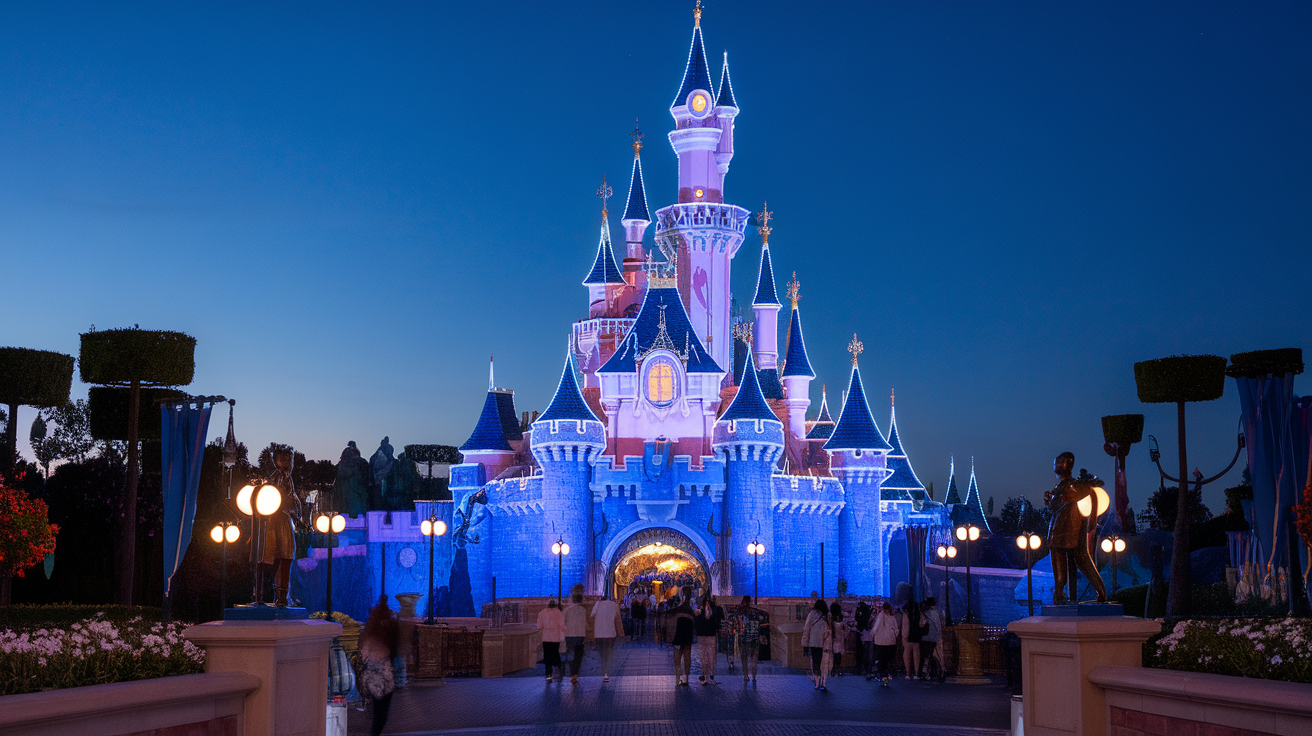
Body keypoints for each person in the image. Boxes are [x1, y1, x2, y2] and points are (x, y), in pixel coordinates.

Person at [1046, 452, 1107, 604]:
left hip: (1065, 531)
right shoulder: (1068, 485)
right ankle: (1060, 595)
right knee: (1073, 565)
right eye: (1057, 462)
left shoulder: (1074, 486)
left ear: (1069, 465)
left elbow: (1055, 505)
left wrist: (1050, 500)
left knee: (1074, 564)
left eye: (1061, 462)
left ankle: (1099, 592)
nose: (1058, 465)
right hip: (1060, 531)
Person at [359, 596, 400, 736]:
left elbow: (363, 655)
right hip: (386, 677)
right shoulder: (390, 626)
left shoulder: (370, 632)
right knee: (382, 712)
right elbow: (395, 649)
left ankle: (374, 732)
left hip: (373, 678)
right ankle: (375, 732)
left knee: (377, 711)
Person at [731, 595, 766, 685]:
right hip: (754, 638)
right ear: (750, 601)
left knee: (744, 658)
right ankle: (754, 676)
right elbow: (764, 616)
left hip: (743, 638)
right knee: (754, 658)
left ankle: (745, 676)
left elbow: (734, 624)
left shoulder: (738, 612)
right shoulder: (755, 612)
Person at [592, 592, 623, 682]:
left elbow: (591, 615)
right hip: (610, 633)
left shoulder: (597, 604)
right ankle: (606, 672)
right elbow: (618, 620)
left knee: (602, 653)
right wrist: (621, 633)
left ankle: (604, 670)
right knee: (608, 653)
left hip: (599, 633)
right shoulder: (614, 605)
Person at [694, 594, 723, 685]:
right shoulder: (715, 610)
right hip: (711, 635)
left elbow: (696, 622)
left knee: (703, 657)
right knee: (711, 656)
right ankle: (710, 676)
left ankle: (705, 676)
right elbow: (718, 622)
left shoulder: (699, 611)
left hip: (702, 635)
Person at [670, 589, 696, 686]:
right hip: (687, 634)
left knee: (677, 658)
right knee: (687, 658)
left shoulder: (677, 607)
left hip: (678, 635)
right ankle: (686, 679)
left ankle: (678, 679)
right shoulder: (692, 607)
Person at [801, 598, 829, 688]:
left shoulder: (811, 615)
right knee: (823, 663)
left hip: (813, 642)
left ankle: (816, 682)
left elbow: (806, 629)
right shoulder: (826, 616)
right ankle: (822, 682)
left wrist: (805, 643)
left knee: (814, 662)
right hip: (824, 643)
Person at [871, 601, 899, 687]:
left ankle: (883, 676)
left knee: (882, 659)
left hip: (881, 641)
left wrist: (872, 634)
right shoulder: (892, 617)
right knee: (888, 659)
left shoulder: (881, 615)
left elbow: (876, 627)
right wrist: (894, 635)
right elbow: (896, 628)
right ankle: (888, 674)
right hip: (891, 641)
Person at [536, 599, 565, 683]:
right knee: (556, 654)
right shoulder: (559, 613)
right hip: (556, 638)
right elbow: (562, 625)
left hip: (546, 638)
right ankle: (559, 671)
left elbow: (539, 626)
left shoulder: (542, 613)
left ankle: (549, 675)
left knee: (547, 656)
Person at [564, 586, 588, 685]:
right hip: (580, 636)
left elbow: (563, 622)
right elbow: (584, 623)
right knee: (578, 656)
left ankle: (572, 672)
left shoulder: (567, 610)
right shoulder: (583, 610)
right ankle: (575, 675)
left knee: (570, 655)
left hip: (569, 635)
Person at [920, 597, 944, 681]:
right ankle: (938, 672)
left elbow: (921, 624)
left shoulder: (926, 613)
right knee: (933, 655)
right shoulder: (936, 613)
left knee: (927, 655)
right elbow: (938, 627)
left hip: (926, 637)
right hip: (933, 637)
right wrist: (939, 637)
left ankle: (926, 673)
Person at [900, 599, 922, 680]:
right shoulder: (919, 613)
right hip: (917, 638)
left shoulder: (906, 614)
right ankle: (916, 673)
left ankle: (908, 673)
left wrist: (904, 638)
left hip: (908, 638)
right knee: (917, 656)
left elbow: (905, 626)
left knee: (907, 656)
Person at [853, 602, 872, 679]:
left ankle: (861, 667)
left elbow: (857, 619)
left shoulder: (860, 615)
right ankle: (867, 669)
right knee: (866, 652)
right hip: (867, 635)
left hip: (861, 633)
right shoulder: (868, 614)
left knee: (861, 651)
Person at [828, 602, 847, 676]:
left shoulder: (830, 619)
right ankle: (837, 667)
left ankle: (832, 668)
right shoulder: (841, 619)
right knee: (838, 654)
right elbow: (844, 630)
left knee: (833, 654)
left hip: (832, 639)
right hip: (839, 639)